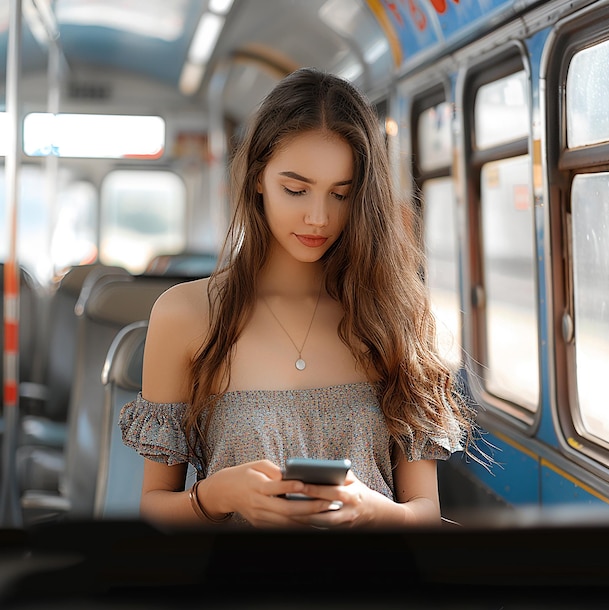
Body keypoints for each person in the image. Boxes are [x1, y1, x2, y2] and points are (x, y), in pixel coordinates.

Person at [119, 67, 476, 529]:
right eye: (295, 189)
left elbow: (425, 514)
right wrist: (217, 494)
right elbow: (154, 509)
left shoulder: (395, 314)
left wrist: (370, 510)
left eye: (341, 195)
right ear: (257, 181)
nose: (318, 217)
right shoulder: (186, 315)